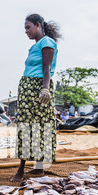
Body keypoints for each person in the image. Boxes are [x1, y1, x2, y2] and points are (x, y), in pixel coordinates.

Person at [11, 13, 61, 182]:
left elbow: (46, 69)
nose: (26, 31)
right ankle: (38, 168)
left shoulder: (47, 43)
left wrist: (45, 89)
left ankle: (22, 169)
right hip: (27, 88)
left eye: (28, 27)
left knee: (37, 126)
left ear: (38, 25)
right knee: (28, 126)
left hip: (37, 88)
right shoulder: (35, 46)